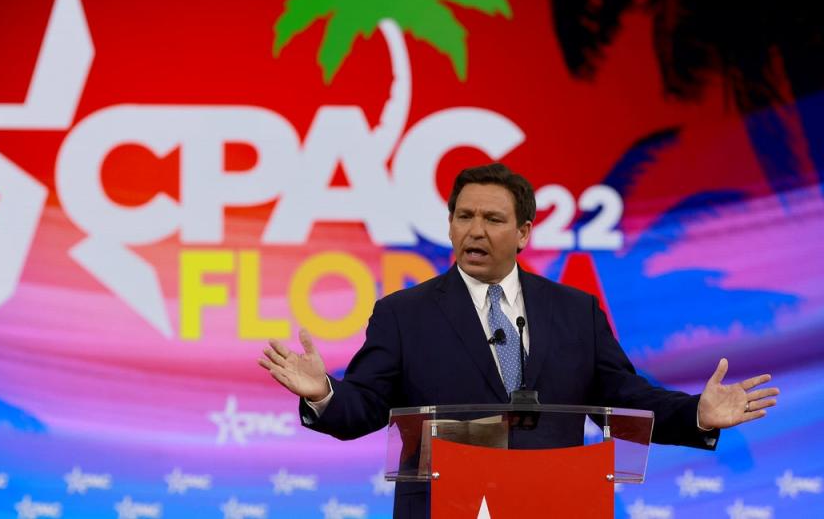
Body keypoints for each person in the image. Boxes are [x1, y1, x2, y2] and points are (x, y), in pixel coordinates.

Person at [258, 163, 779, 518]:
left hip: (554, 505)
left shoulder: (575, 310)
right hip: (446, 509)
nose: (475, 231)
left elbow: (625, 400)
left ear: (524, 232)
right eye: (464, 217)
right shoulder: (403, 314)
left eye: (492, 219)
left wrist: (696, 415)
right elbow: (366, 407)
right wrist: (324, 392)